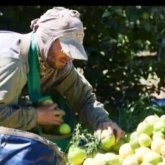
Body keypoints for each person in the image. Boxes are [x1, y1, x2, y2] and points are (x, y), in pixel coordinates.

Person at [0, 6, 124, 146]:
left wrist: (103, 122)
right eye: (66, 47)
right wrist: (36, 116)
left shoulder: (55, 61)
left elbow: (83, 98)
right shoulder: (12, 61)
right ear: (47, 39)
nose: (70, 56)